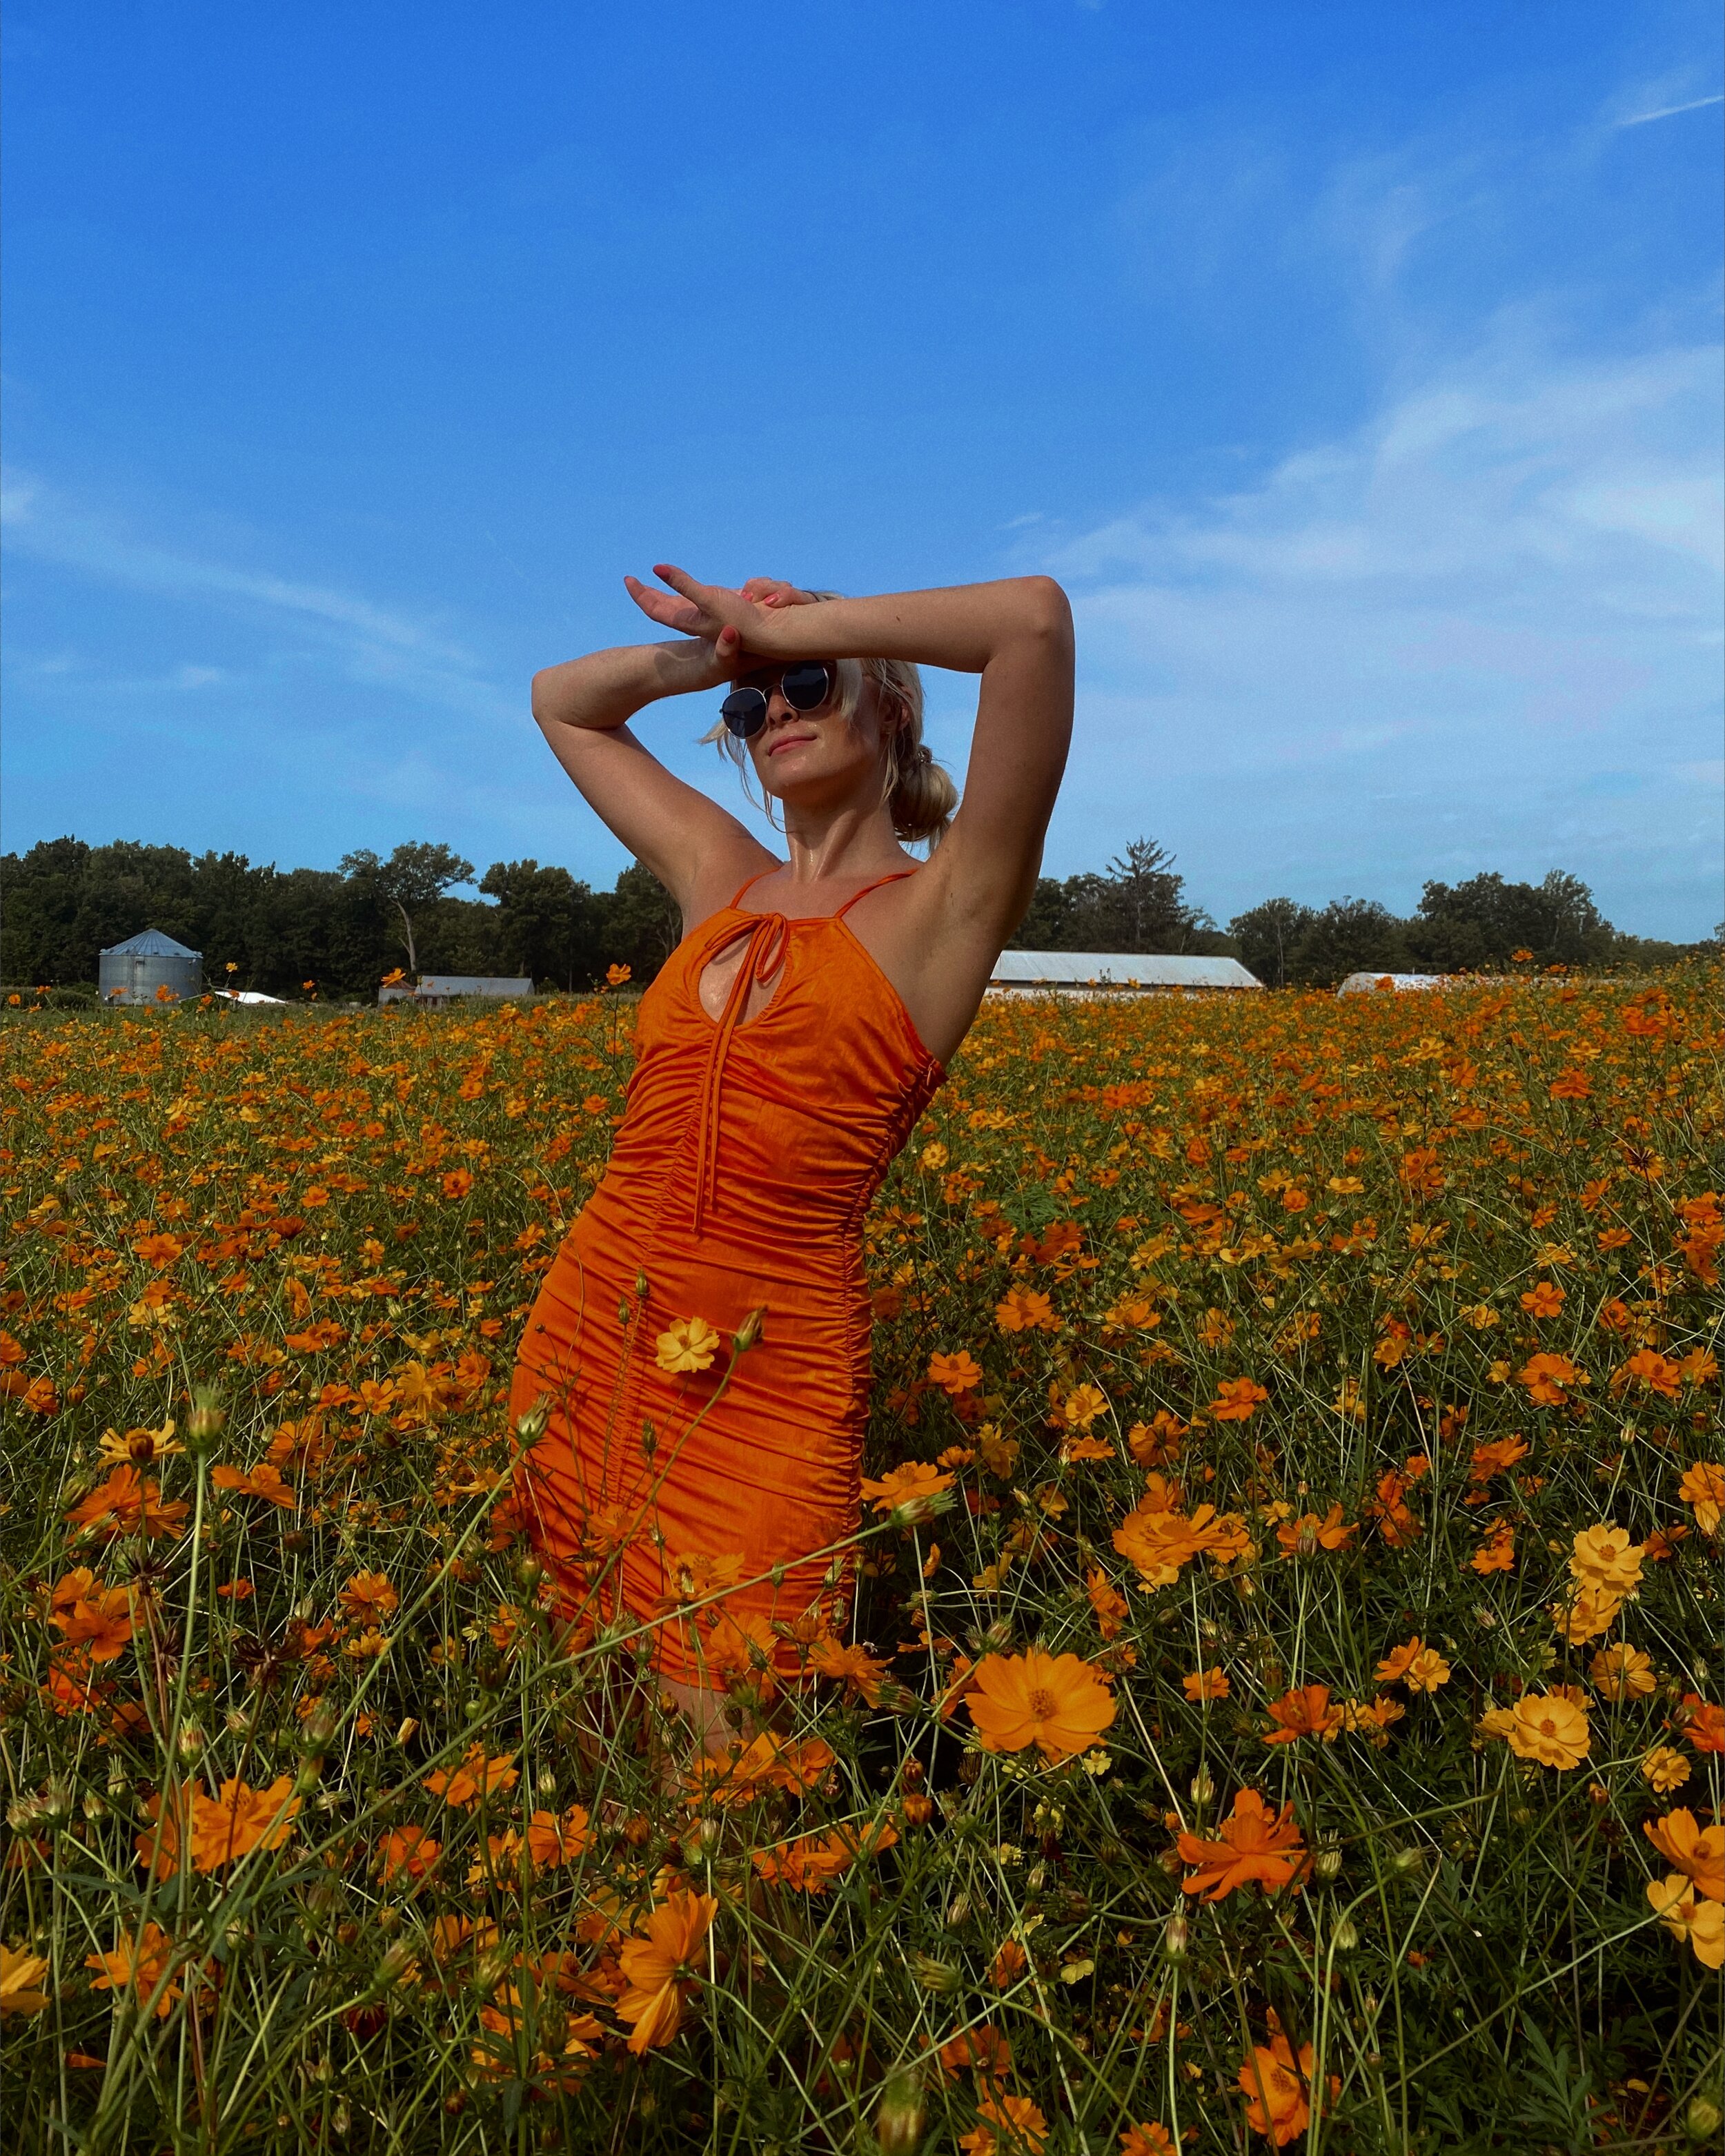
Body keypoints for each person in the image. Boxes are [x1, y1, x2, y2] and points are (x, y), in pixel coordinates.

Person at [508, 564, 1074, 1790]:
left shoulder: (947, 905)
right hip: (591, 1335)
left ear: (894, 712)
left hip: (772, 1369)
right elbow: (562, 703)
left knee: (730, 1775)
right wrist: (723, 656)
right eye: (757, 706)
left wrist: (794, 626)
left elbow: (1032, 621)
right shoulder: (717, 873)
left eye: (810, 685)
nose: (779, 711)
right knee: (589, 1723)